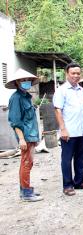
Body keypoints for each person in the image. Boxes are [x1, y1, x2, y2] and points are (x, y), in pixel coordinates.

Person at [53, 62, 83, 196]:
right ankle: (67, 185)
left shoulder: (81, 90)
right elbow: (58, 110)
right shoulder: (62, 90)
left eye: (78, 73)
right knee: (67, 159)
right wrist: (63, 129)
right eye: (73, 73)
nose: (76, 76)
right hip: (69, 132)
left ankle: (79, 182)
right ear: (67, 74)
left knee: (81, 158)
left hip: (82, 130)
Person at [7, 68, 43, 202]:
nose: (25, 82)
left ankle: (25, 190)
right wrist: (21, 139)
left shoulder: (27, 97)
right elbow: (15, 122)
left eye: (27, 80)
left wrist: (36, 138)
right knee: (26, 163)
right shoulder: (16, 98)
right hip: (25, 137)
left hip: (31, 136)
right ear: (17, 82)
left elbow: (31, 120)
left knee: (28, 163)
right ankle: (26, 193)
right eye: (22, 80)